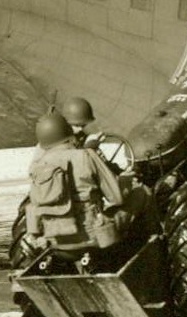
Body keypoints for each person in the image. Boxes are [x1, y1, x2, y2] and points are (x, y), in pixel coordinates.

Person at [24, 100, 128, 265]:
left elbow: (33, 206)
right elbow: (117, 198)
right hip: (93, 237)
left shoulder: (38, 165)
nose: (80, 129)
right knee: (141, 194)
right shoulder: (86, 155)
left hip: (56, 241)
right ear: (67, 130)